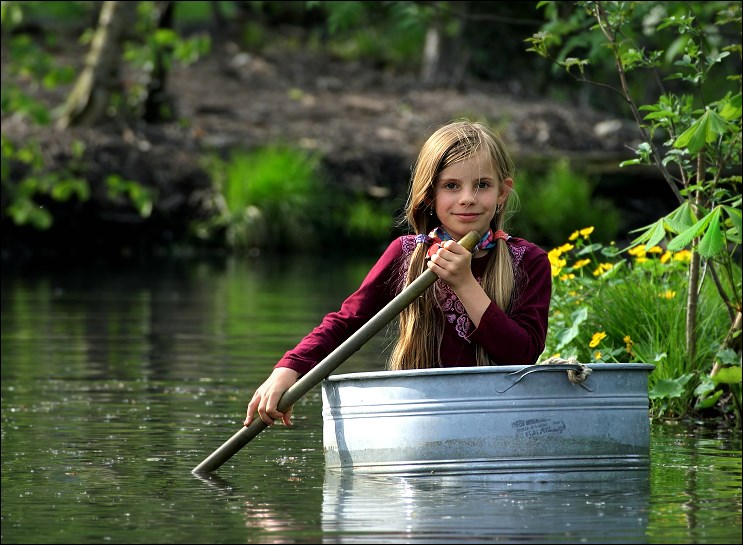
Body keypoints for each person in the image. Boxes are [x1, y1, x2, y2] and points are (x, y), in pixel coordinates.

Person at [245, 120, 552, 428]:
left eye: (482, 185)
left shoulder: (528, 262)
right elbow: (347, 323)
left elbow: (522, 355)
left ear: (502, 192)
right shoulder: (406, 253)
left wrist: (464, 284)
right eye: (451, 186)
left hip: (500, 422)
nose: (467, 198)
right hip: (419, 422)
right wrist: (289, 369)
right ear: (430, 195)